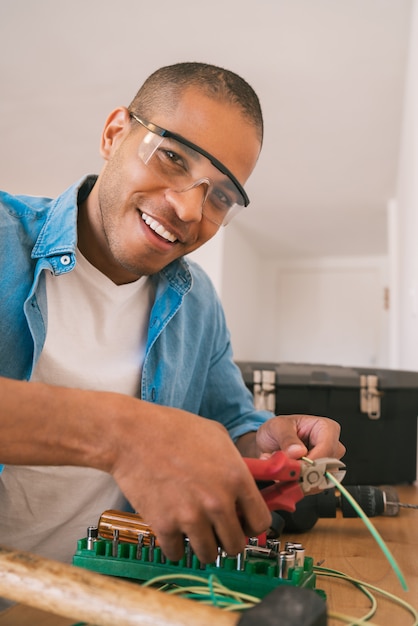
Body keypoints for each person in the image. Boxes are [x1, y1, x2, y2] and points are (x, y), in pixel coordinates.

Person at [0, 62, 345, 569]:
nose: (188, 210)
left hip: (108, 598)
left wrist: (264, 440)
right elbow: (142, 435)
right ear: (115, 134)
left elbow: (230, 423)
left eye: (221, 195)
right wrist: (125, 433)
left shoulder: (198, 303)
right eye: (172, 158)